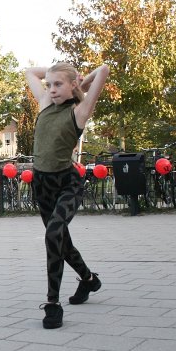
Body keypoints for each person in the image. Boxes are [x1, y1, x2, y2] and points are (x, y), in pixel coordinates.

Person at [25, 62, 110, 329]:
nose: (51, 89)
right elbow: (29, 72)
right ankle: (88, 280)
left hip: (67, 184)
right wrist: (54, 72)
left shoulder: (79, 112)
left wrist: (80, 83)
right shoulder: (43, 104)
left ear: (72, 85)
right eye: (48, 84)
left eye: (57, 84)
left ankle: (53, 303)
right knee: (62, 243)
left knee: (53, 235)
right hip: (42, 185)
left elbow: (104, 70)